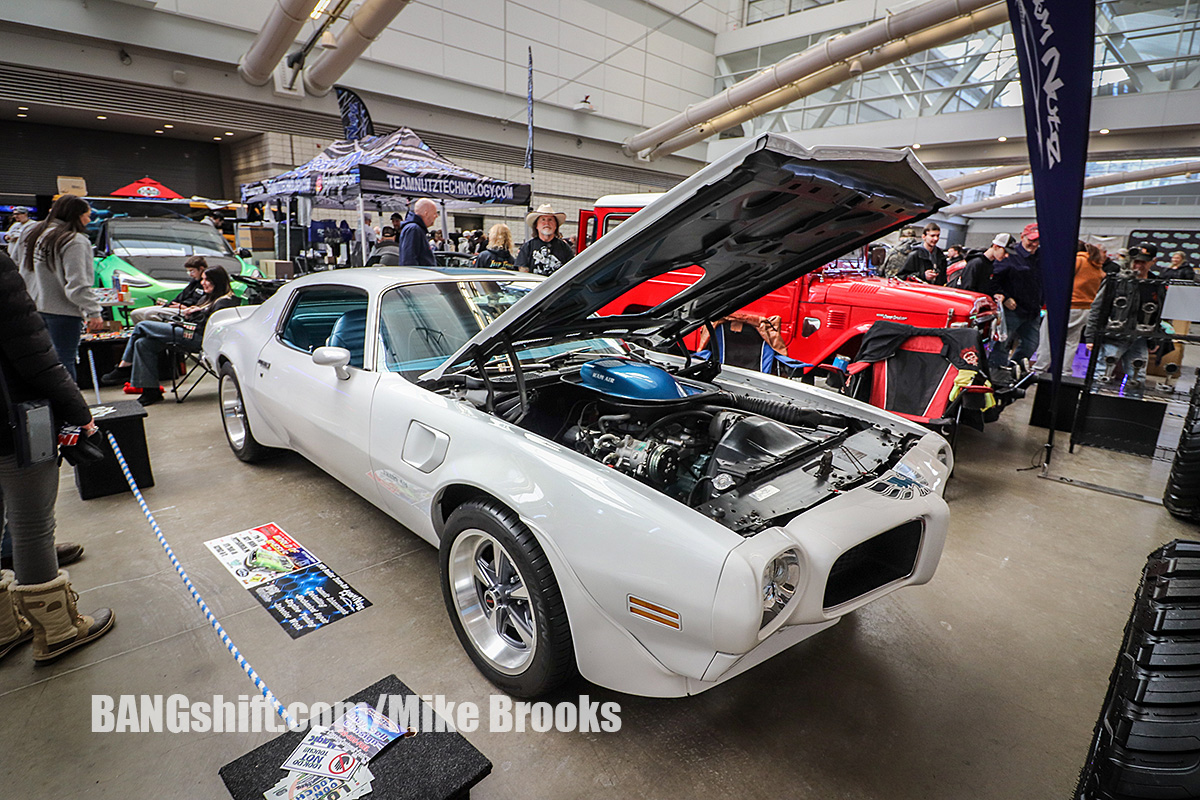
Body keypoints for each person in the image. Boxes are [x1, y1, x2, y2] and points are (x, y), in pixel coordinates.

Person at [0, 249, 114, 664]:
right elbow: (33, 351)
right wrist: (79, 413)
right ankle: (58, 631)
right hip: (10, 424)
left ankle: (5, 628)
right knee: (30, 527)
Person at [99, 266, 240, 405]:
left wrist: (196, 314)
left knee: (142, 325)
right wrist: (190, 312)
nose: (202, 283)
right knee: (143, 343)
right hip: (188, 331)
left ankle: (124, 367)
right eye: (202, 279)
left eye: (207, 280)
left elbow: (208, 328)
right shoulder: (209, 297)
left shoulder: (224, 302)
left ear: (218, 281)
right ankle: (151, 392)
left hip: (199, 338)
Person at [19, 194, 105, 382]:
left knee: (42, 363)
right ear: (76, 215)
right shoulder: (75, 241)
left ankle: (48, 407)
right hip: (63, 311)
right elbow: (77, 284)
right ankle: (69, 409)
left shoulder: (31, 233)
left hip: (33, 307)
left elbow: (20, 267)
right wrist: (93, 311)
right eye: (87, 215)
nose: (89, 220)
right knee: (64, 363)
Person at [1032, 242, 1105, 375]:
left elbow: (1061, 280)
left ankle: (1039, 371)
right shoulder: (1097, 266)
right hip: (1085, 309)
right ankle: (1064, 373)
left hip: (1065, 307)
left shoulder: (1077, 261)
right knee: (1070, 343)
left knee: (1047, 339)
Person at [988, 222, 1042, 370]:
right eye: (1031, 240)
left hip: (1032, 310)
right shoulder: (1009, 255)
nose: (1034, 244)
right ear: (1022, 237)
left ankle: (1014, 370)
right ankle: (995, 373)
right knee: (1001, 345)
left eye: (1037, 240)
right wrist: (1006, 297)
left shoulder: (1042, 257)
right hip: (1011, 310)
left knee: (1031, 344)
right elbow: (993, 281)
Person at [129, 255, 209, 324]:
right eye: (188, 272)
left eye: (192, 271)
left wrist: (185, 306)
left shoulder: (207, 285)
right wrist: (169, 304)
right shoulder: (193, 282)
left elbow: (202, 303)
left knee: (150, 314)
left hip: (187, 310)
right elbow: (182, 296)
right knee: (135, 313)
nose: (191, 275)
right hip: (177, 306)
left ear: (201, 269)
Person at [516, 204, 574, 276]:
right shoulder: (527, 247)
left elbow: (571, 271)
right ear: (536, 225)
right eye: (543, 220)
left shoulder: (565, 248)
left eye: (550, 220)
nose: (546, 223)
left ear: (556, 225)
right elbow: (523, 273)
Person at [396, 199, 437, 267]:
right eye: (434, 213)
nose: (436, 216)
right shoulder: (414, 229)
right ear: (426, 213)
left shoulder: (415, 229)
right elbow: (409, 260)